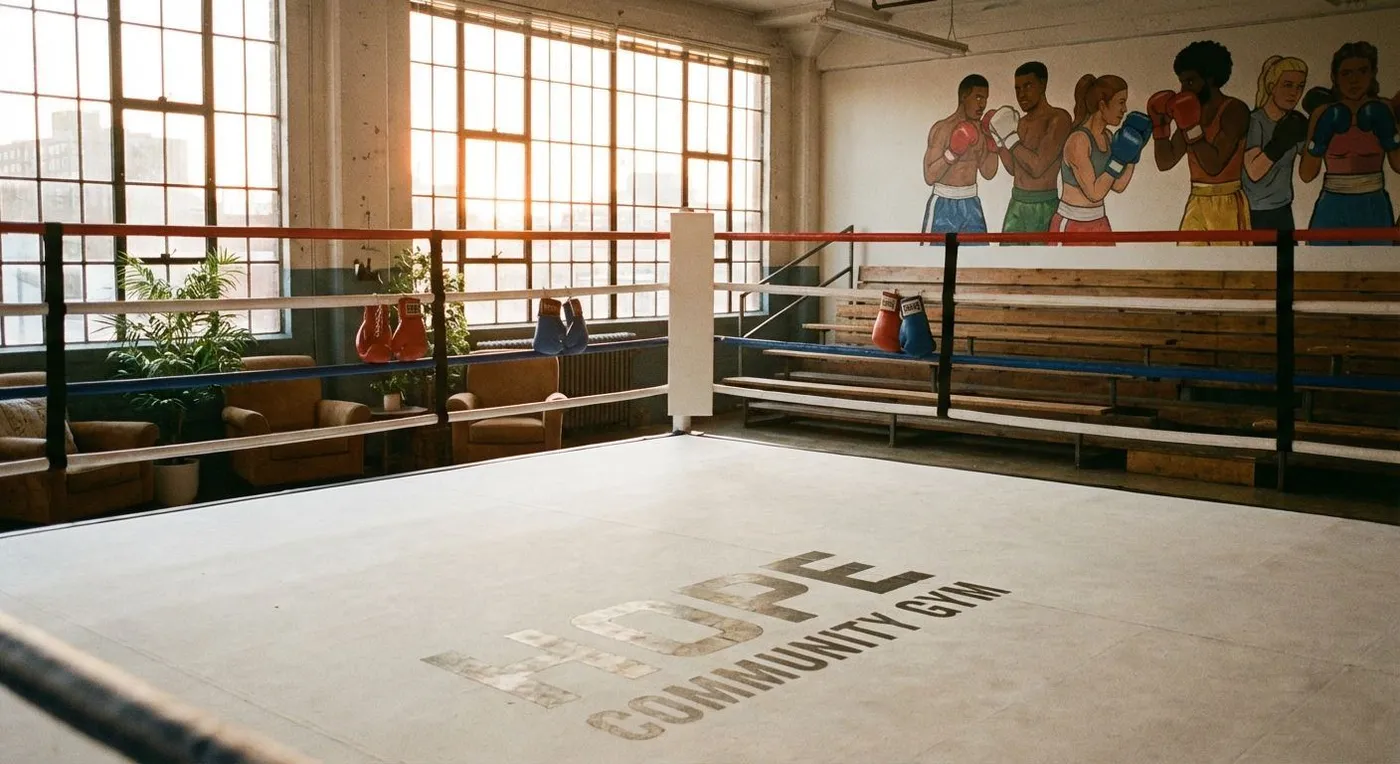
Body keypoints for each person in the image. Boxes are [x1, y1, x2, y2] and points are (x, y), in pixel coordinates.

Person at [1149, 40, 1252, 244]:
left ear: (1210, 79)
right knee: (1187, 266)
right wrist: (1160, 127)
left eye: (1190, 82)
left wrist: (1190, 127)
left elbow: (1214, 165)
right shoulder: (1191, 112)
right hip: (1196, 200)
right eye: (1182, 82)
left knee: (1228, 269)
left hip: (1228, 202)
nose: (1183, 89)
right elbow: (1166, 162)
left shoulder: (1234, 110)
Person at [1299, 42, 1400, 245]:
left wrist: (1391, 138)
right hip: (1332, 203)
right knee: (1324, 269)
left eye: (1362, 71)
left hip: (1373, 202)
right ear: (1335, 77)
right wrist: (1319, 141)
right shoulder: (1322, 113)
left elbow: (1399, 166)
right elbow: (1306, 175)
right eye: (1346, 73)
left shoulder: (1384, 108)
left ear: (1372, 73)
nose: (1354, 80)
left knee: (1374, 270)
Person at [983, 62, 1073, 243]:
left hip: (1044, 206)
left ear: (1043, 84)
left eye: (1028, 86)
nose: (1021, 94)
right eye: (1017, 88)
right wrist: (997, 141)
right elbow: (1014, 170)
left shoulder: (1058, 119)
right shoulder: (1020, 123)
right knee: (1008, 265)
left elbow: (1037, 167)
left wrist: (1009, 138)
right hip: (1016, 203)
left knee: (1041, 266)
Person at [1048, 74, 1146, 241]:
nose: (1125, 109)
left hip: (1099, 221)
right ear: (1102, 105)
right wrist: (1119, 160)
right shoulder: (1078, 140)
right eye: (1121, 102)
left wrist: (1133, 155)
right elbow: (1094, 193)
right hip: (1072, 223)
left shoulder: (1108, 136)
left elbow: (1117, 186)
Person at [921, 74, 1000, 244]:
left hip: (971, 203)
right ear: (964, 97)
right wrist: (952, 153)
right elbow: (929, 176)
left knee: (978, 260)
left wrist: (993, 144)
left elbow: (989, 172)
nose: (982, 104)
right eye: (978, 97)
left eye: (985, 99)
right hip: (943, 204)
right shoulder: (942, 129)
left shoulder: (981, 131)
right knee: (934, 260)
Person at [1242, 56, 1309, 231]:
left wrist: (1317, 124)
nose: (1294, 93)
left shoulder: (1295, 122)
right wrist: (1280, 143)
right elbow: (1254, 172)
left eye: (1300, 86)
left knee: (1287, 259)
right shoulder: (1254, 121)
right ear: (1272, 87)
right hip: (1255, 212)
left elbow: (1307, 173)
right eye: (1288, 85)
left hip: (1283, 210)